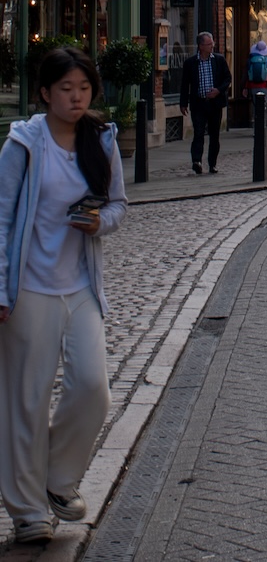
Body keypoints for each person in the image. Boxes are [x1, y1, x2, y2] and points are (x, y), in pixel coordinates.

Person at [0, 46, 126, 544]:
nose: (76, 98)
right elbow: (2, 218)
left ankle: (57, 481)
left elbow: (118, 206)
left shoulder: (102, 140)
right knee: (26, 402)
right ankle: (28, 511)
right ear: (45, 93)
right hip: (29, 289)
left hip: (80, 287)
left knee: (93, 388)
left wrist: (100, 223)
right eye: (66, 90)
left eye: (84, 89)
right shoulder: (22, 146)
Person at [179, 32, 232, 176]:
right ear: (201, 46)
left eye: (212, 43)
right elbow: (185, 84)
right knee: (198, 133)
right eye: (209, 44)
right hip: (199, 104)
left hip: (215, 103)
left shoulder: (219, 60)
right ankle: (197, 161)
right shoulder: (191, 63)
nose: (212, 46)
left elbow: (228, 79)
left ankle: (212, 164)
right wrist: (183, 103)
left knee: (214, 135)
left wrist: (218, 91)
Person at [244, 39, 267, 123]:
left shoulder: (250, 60)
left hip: (252, 86)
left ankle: (256, 125)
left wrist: (244, 87)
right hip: (265, 86)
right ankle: (262, 127)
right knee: (263, 106)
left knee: (255, 105)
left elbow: (245, 75)